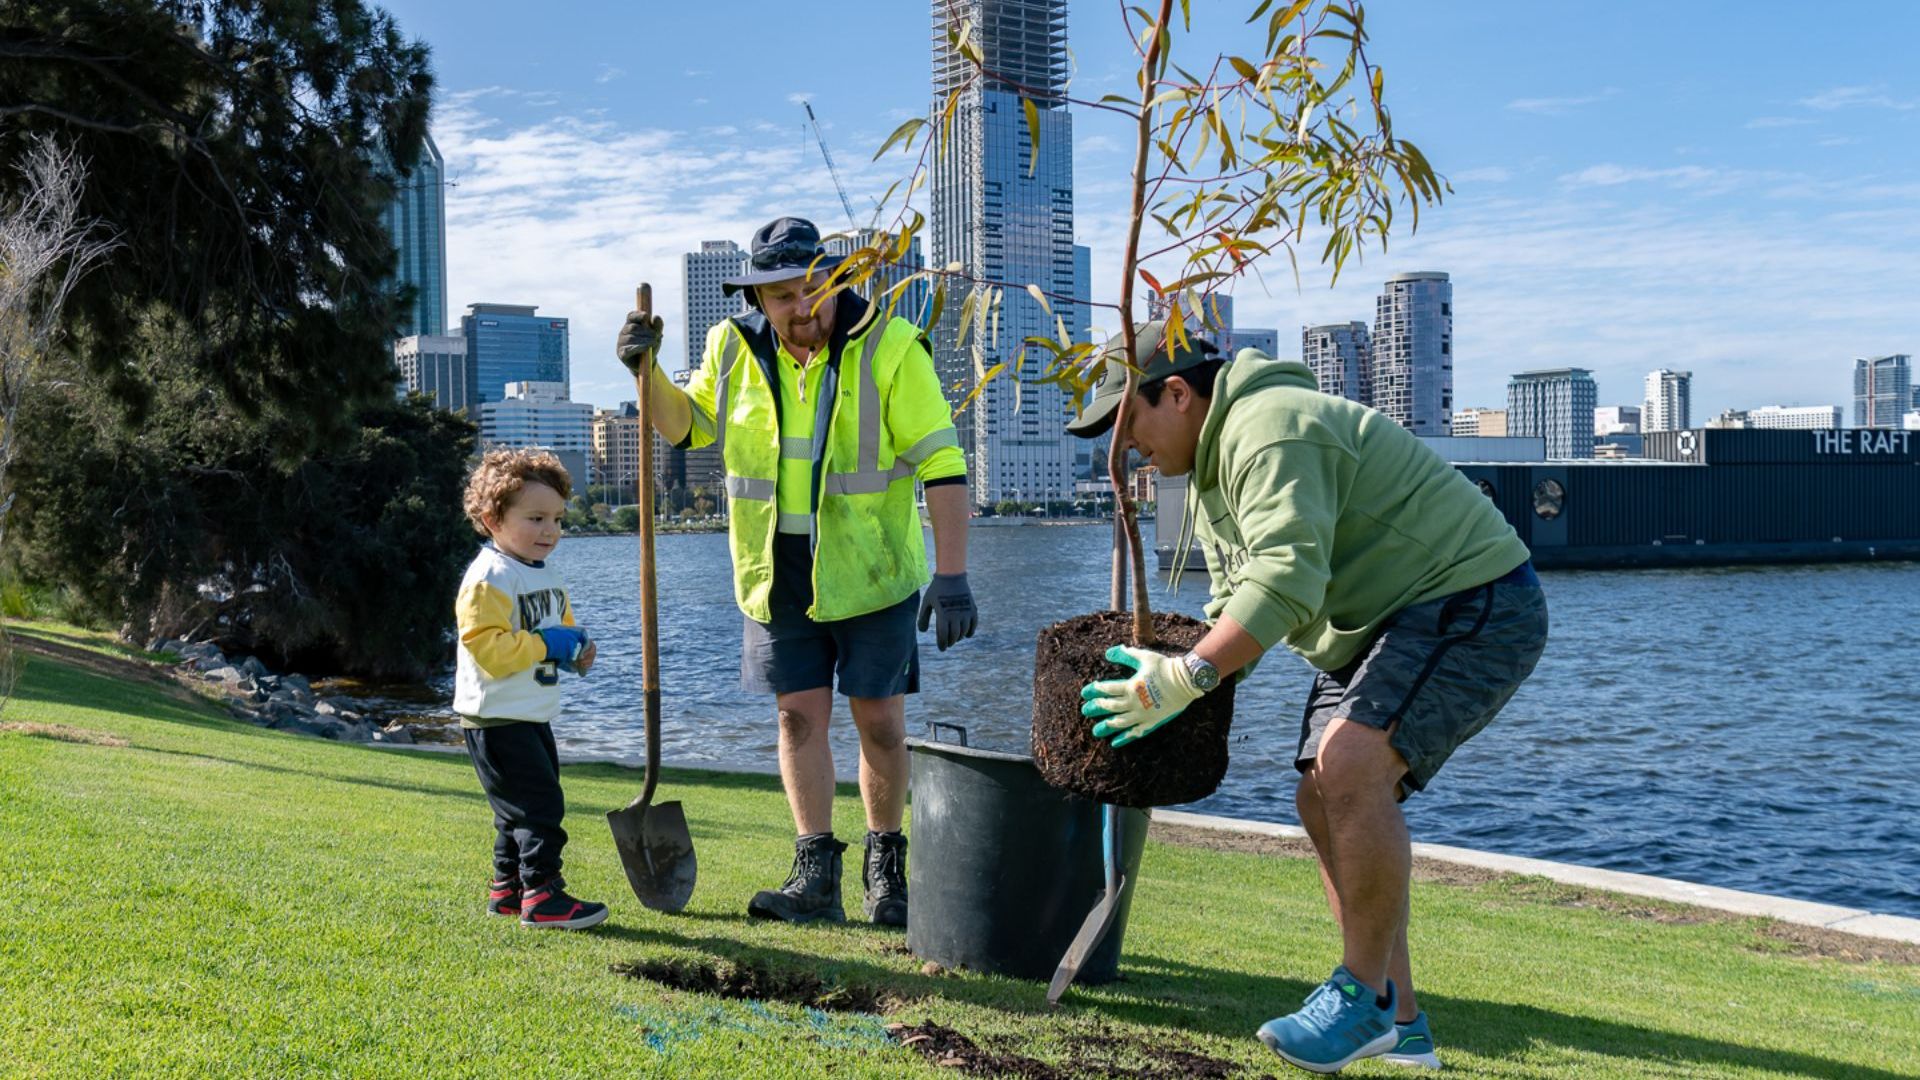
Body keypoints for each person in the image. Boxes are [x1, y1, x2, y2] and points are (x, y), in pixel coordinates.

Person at [1067, 326, 1548, 1073]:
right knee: (1319, 794)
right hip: (1380, 620)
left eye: (1128, 422)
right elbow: (1240, 600)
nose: (1126, 447)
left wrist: (1189, 675)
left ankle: (1360, 998)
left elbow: (1287, 581)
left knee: (1351, 763)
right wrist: (1179, 670)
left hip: (1469, 595)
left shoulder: (1268, 429)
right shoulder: (1211, 472)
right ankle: (1404, 1022)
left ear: (1179, 393)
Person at [615, 217, 976, 927]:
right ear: (758, 298)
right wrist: (645, 371)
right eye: (781, 295)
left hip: (873, 570)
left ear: (837, 281)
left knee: (878, 722)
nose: (799, 307)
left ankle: (887, 870)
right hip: (775, 572)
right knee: (797, 718)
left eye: (812, 288)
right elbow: (686, 426)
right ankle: (814, 873)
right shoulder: (730, 347)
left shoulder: (893, 347)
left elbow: (941, 461)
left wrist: (954, 574)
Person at [453, 448, 609, 931]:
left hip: (531, 711)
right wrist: (545, 645)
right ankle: (543, 896)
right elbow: (488, 649)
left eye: (558, 519)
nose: (550, 531)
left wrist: (575, 651)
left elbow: (557, 631)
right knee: (539, 806)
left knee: (514, 811)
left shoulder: (543, 573)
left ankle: (509, 889)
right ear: (491, 519)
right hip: (497, 716)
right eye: (536, 518)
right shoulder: (489, 577)